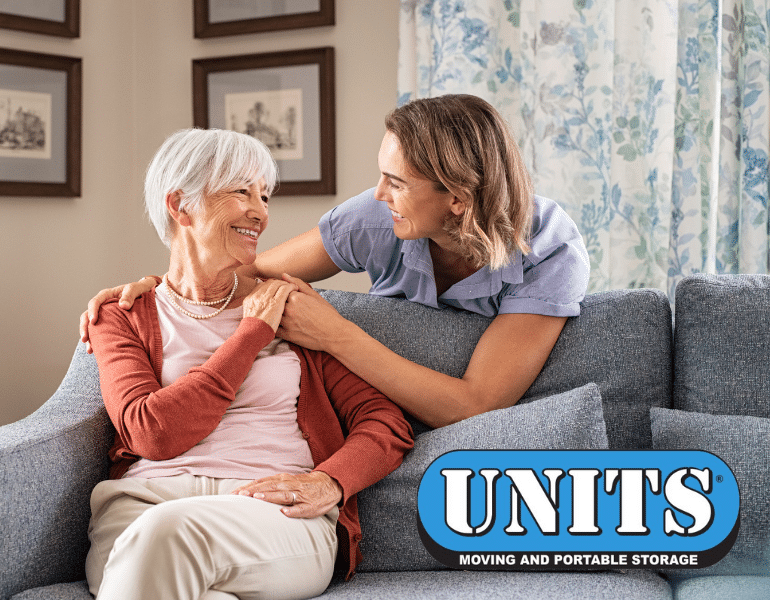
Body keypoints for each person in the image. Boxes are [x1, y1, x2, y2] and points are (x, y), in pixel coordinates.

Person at [82, 94, 589, 430]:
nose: (378, 193)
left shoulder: (548, 248)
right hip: (368, 412)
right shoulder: (376, 217)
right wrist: (159, 288)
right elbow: (243, 274)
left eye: (398, 182)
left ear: (457, 198)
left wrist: (334, 333)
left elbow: (476, 405)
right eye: (381, 174)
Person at [84, 128, 413, 600]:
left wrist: (331, 482)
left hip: (270, 511)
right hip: (142, 506)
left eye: (264, 195)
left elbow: (385, 422)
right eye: (241, 191)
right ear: (180, 206)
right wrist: (251, 335)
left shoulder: (293, 308)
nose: (259, 211)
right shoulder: (122, 315)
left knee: (168, 534)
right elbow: (152, 433)